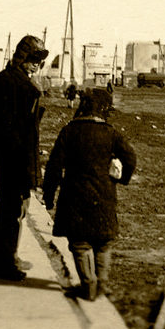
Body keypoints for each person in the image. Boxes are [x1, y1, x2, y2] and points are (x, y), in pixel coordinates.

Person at [43, 88, 137, 300]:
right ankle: (101, 283)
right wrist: (122, 178)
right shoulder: (111, 133)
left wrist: (49, 196)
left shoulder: (69, 131)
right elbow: (130, 156)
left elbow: (54, 167)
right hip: (104, 194)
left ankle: (88, 285)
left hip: (74, 195)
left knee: (80, 241)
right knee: (103, 241)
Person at [0, 35, 48, 281]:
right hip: (13, 158)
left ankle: (8, 255)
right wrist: (23, 161)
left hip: (17, 156)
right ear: (22, 56)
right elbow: (9, 127)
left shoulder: (14, 79)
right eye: (33, 59)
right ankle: (3, 263)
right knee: (11, 210)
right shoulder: (10, 81)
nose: (37, 65)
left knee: (18, 208)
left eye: (39, 61)